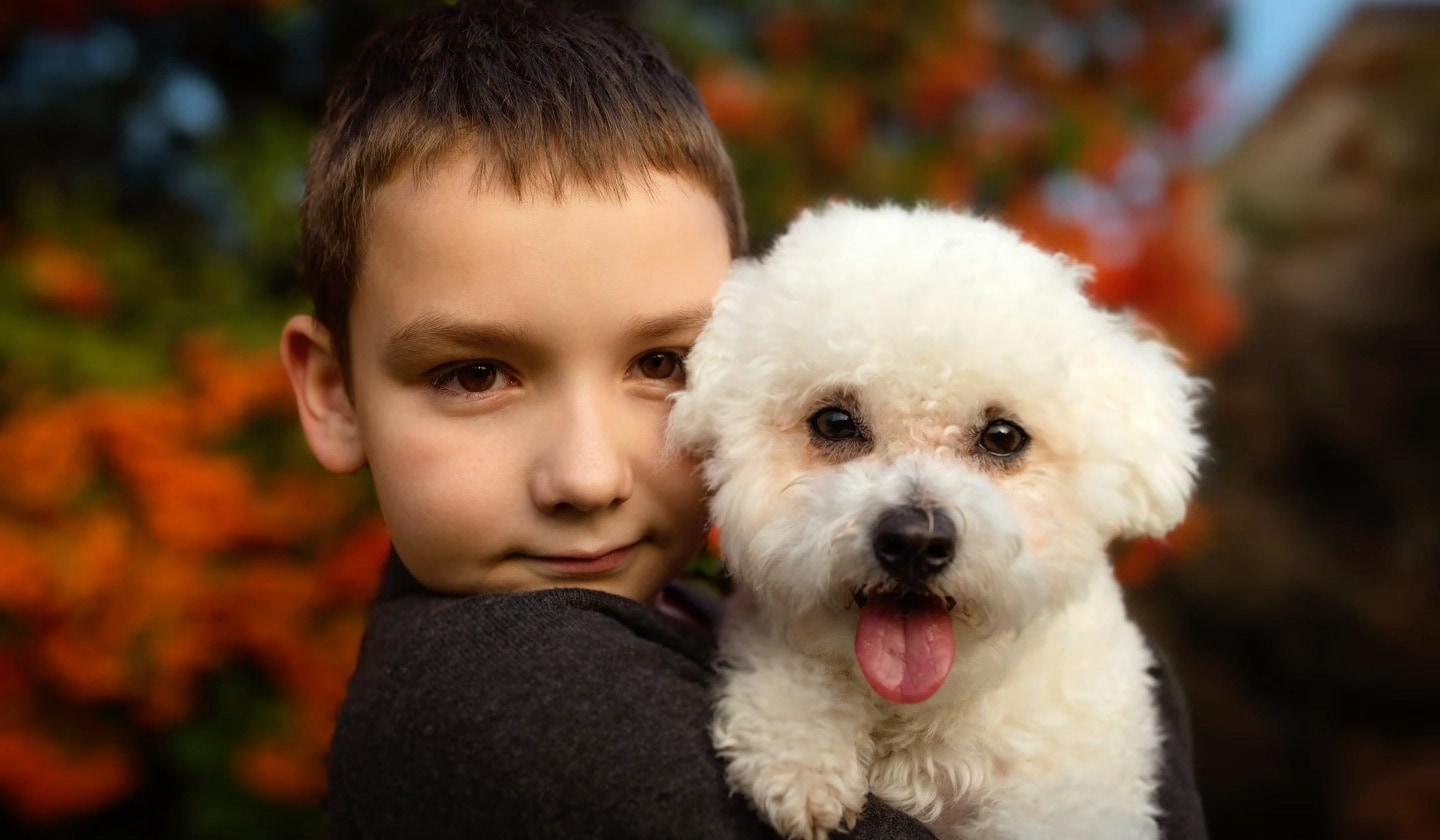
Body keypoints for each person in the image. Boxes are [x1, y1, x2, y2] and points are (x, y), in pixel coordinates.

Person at [279, 1, 1204, 838]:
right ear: (334, 393)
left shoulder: (704, 610)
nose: (587, 475)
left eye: (661, 365)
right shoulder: (503, 705)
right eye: (474, 372)